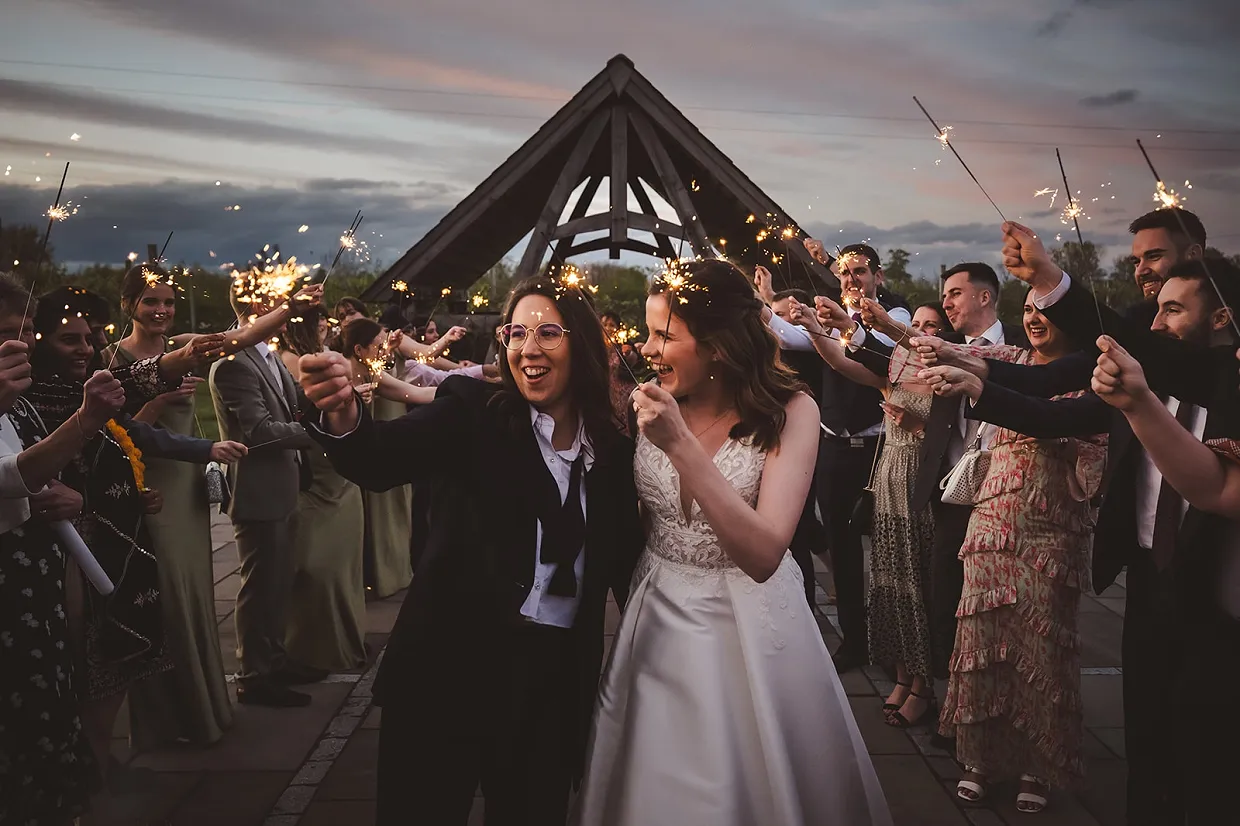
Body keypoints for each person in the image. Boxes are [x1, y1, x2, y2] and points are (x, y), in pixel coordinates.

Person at [300, 276, 642, 825]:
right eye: (516, 333)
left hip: (549, 688)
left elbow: (629, 572)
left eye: (548, 333)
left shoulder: (614, 453)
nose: (528, 349)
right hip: (446, 675)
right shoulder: (473, 412)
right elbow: (379, 459)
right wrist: (342, 415)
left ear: (580, 343)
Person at [932, 231, 1239, 825]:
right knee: (1144, 727)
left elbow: (1215, 488)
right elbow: (1045, 391)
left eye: (1172, 309)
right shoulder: (1145, 368)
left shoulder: (1218, 381)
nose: (1155, 323)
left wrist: (1050, 277)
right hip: (1148, 569)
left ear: (1221, 315)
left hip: (1209, 586)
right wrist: (975, 378)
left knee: (1202, 742)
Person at [575, 260, 891, 825]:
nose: (646, 348)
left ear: (718, 346)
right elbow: (646, 520)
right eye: (647, 332)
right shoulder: (648, 403)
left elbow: (765, 555)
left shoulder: (792, 411)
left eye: (664, 335)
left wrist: (679, 446)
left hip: (751, 622)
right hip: (656, 616)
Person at [25, 288, 235, 785]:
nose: (84, 348)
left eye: (90, 338)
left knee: (110, 674)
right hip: (61, 562)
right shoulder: (32, 400)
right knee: (78, 677)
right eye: (69, 339)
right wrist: (91, 498)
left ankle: (96, 768)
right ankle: (81, 780)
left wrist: (131, 493)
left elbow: (126, 429)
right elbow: (35, 479)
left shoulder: (84, 388)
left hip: (112, 546)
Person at [107, 264, 311, 750]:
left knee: (197, 591)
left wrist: (291, 305)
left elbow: (240, 337)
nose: (161, 310)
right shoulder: (114, 358)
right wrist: (160, 398)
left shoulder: (183, 344)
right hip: (151, 481)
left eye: (168, 302)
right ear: (128, 304)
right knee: (169, 594)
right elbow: (117, 430)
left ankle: (204, 704)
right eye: (150, 301)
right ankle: (171, 717)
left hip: (189, 485)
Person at [919, 290, 1105, 813]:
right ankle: (980, 759)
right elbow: (950, 352)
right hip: (992, 523)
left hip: (1052, 529)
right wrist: (871, 320)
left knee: (1041, 650)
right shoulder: (1013, 361)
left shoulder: (1094, 377)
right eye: (1026, 310)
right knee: (983, 637)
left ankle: (1036, 768)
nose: (1034, 318)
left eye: (1045, 310)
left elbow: (1093, 459)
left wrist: (1070, 444)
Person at [843, 263, 1028, 687]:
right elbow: (882, 359)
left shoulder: (1017, 346)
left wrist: (887, 323)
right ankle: (952, 697)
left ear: (985, 297)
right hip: (949, 492)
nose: (947, 302)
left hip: (1005, 495)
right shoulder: (946, 346)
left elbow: (990, 369)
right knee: (946, 601)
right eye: (944, 295)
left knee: (999, 603)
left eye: (954, 294)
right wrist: (845, 327)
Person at [0, 273, 128, 826]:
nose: (19, 346)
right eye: (6, 334)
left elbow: (37, 471)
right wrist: (86, 420)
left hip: (38, 580)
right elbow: (12, 475)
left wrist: (68, 496)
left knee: (50, 708)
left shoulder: (18, 402)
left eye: (26, 332)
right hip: (9, 589)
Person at [764, 244, 912, 672]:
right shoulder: (827, 317)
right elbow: (790, 336)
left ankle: (893, 643)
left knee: (887, 550)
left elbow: (882, 349)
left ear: (878, 276)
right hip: (833, 447)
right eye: (844, 273)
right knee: (843, 551)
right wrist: (761, 306)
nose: (851, 279)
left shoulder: (896, 315)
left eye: (859, 271)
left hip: (878, 449)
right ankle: (853, 639)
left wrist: (839, 323)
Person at [209, 282, 321, 707]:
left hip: (283, 484)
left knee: (278, 582)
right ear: (257, 303)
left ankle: (275, 659)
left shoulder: (267, 355)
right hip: (258, 490)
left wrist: (334, 401)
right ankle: (254, 677)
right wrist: (317, 432)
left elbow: (297, 406)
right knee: (259, 588)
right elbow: (258, 433)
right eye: (277, 299)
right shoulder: (233, 362)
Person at [277, 308, 368, 673]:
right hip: (314, 468)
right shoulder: (289, 360)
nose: (326, 325)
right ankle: (313, 648)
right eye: (319, 321)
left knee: (344, 564)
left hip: (339, 471)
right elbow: (295, 412)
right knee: (316, 565)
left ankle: (345, 638)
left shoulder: (324, 354)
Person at [339, 318, 435, 598]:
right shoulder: (341, 374)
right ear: (359, 349)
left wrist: (459, 391)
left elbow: (416, 393)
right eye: (379, 346)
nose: (386, 351)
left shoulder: (374, 373)